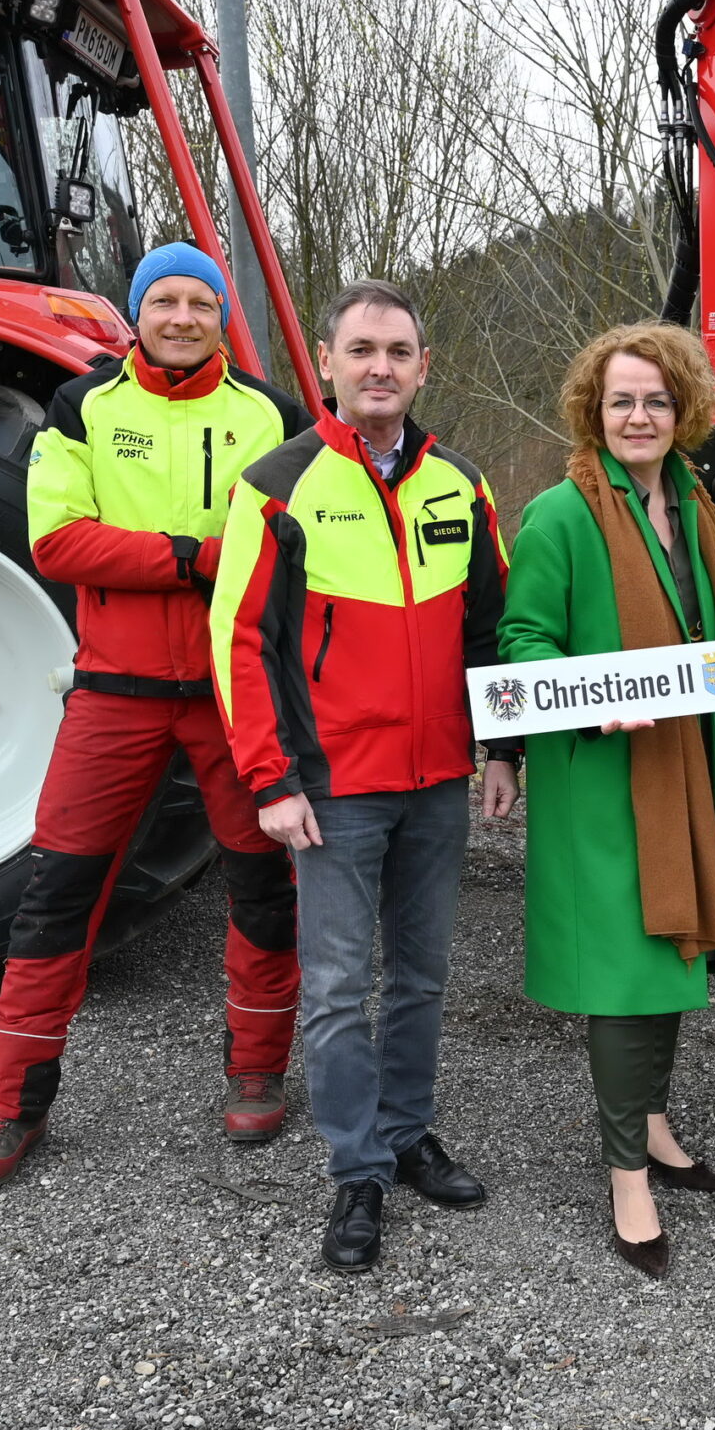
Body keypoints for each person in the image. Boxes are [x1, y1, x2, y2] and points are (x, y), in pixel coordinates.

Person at [0, 242, 308, 1191]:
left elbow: (295, 540)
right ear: (139, 314)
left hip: (239, 695)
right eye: (166, 301)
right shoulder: (85, 407)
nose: (184, 316)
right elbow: (59, 538)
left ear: (223, 315)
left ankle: (259, 1066)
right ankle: (9, 1101)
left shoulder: (271, 414)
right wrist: (195, 554)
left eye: (201, 301)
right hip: (117, 689)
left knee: (264, 885)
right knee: (58, 889)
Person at [211, 279, 519, 1274]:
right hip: (330, 786)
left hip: (436, 781)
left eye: (398, 350)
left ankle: (407, 1130)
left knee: (422, 976)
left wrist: (500, 748)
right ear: (329, 364)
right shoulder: (275, 482)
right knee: (340, 985)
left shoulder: (461, 484)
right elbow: (239, 639)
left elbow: (490, 630)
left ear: (424, 367)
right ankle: (356, 1167)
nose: (379, 365)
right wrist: (269, 778)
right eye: (361, 349)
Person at [498, 322, 715, 1280]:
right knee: (626, 977)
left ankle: (655, 1125)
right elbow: (523, 642)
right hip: (606, 778)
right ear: (593, 408)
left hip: (689, 767)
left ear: (685, 413)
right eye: (621, 399)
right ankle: (627, 1177)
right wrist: (596, 693)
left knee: (673, 955)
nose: (638, 415)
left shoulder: (699, 507)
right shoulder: (558, 516)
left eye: (656, 400)